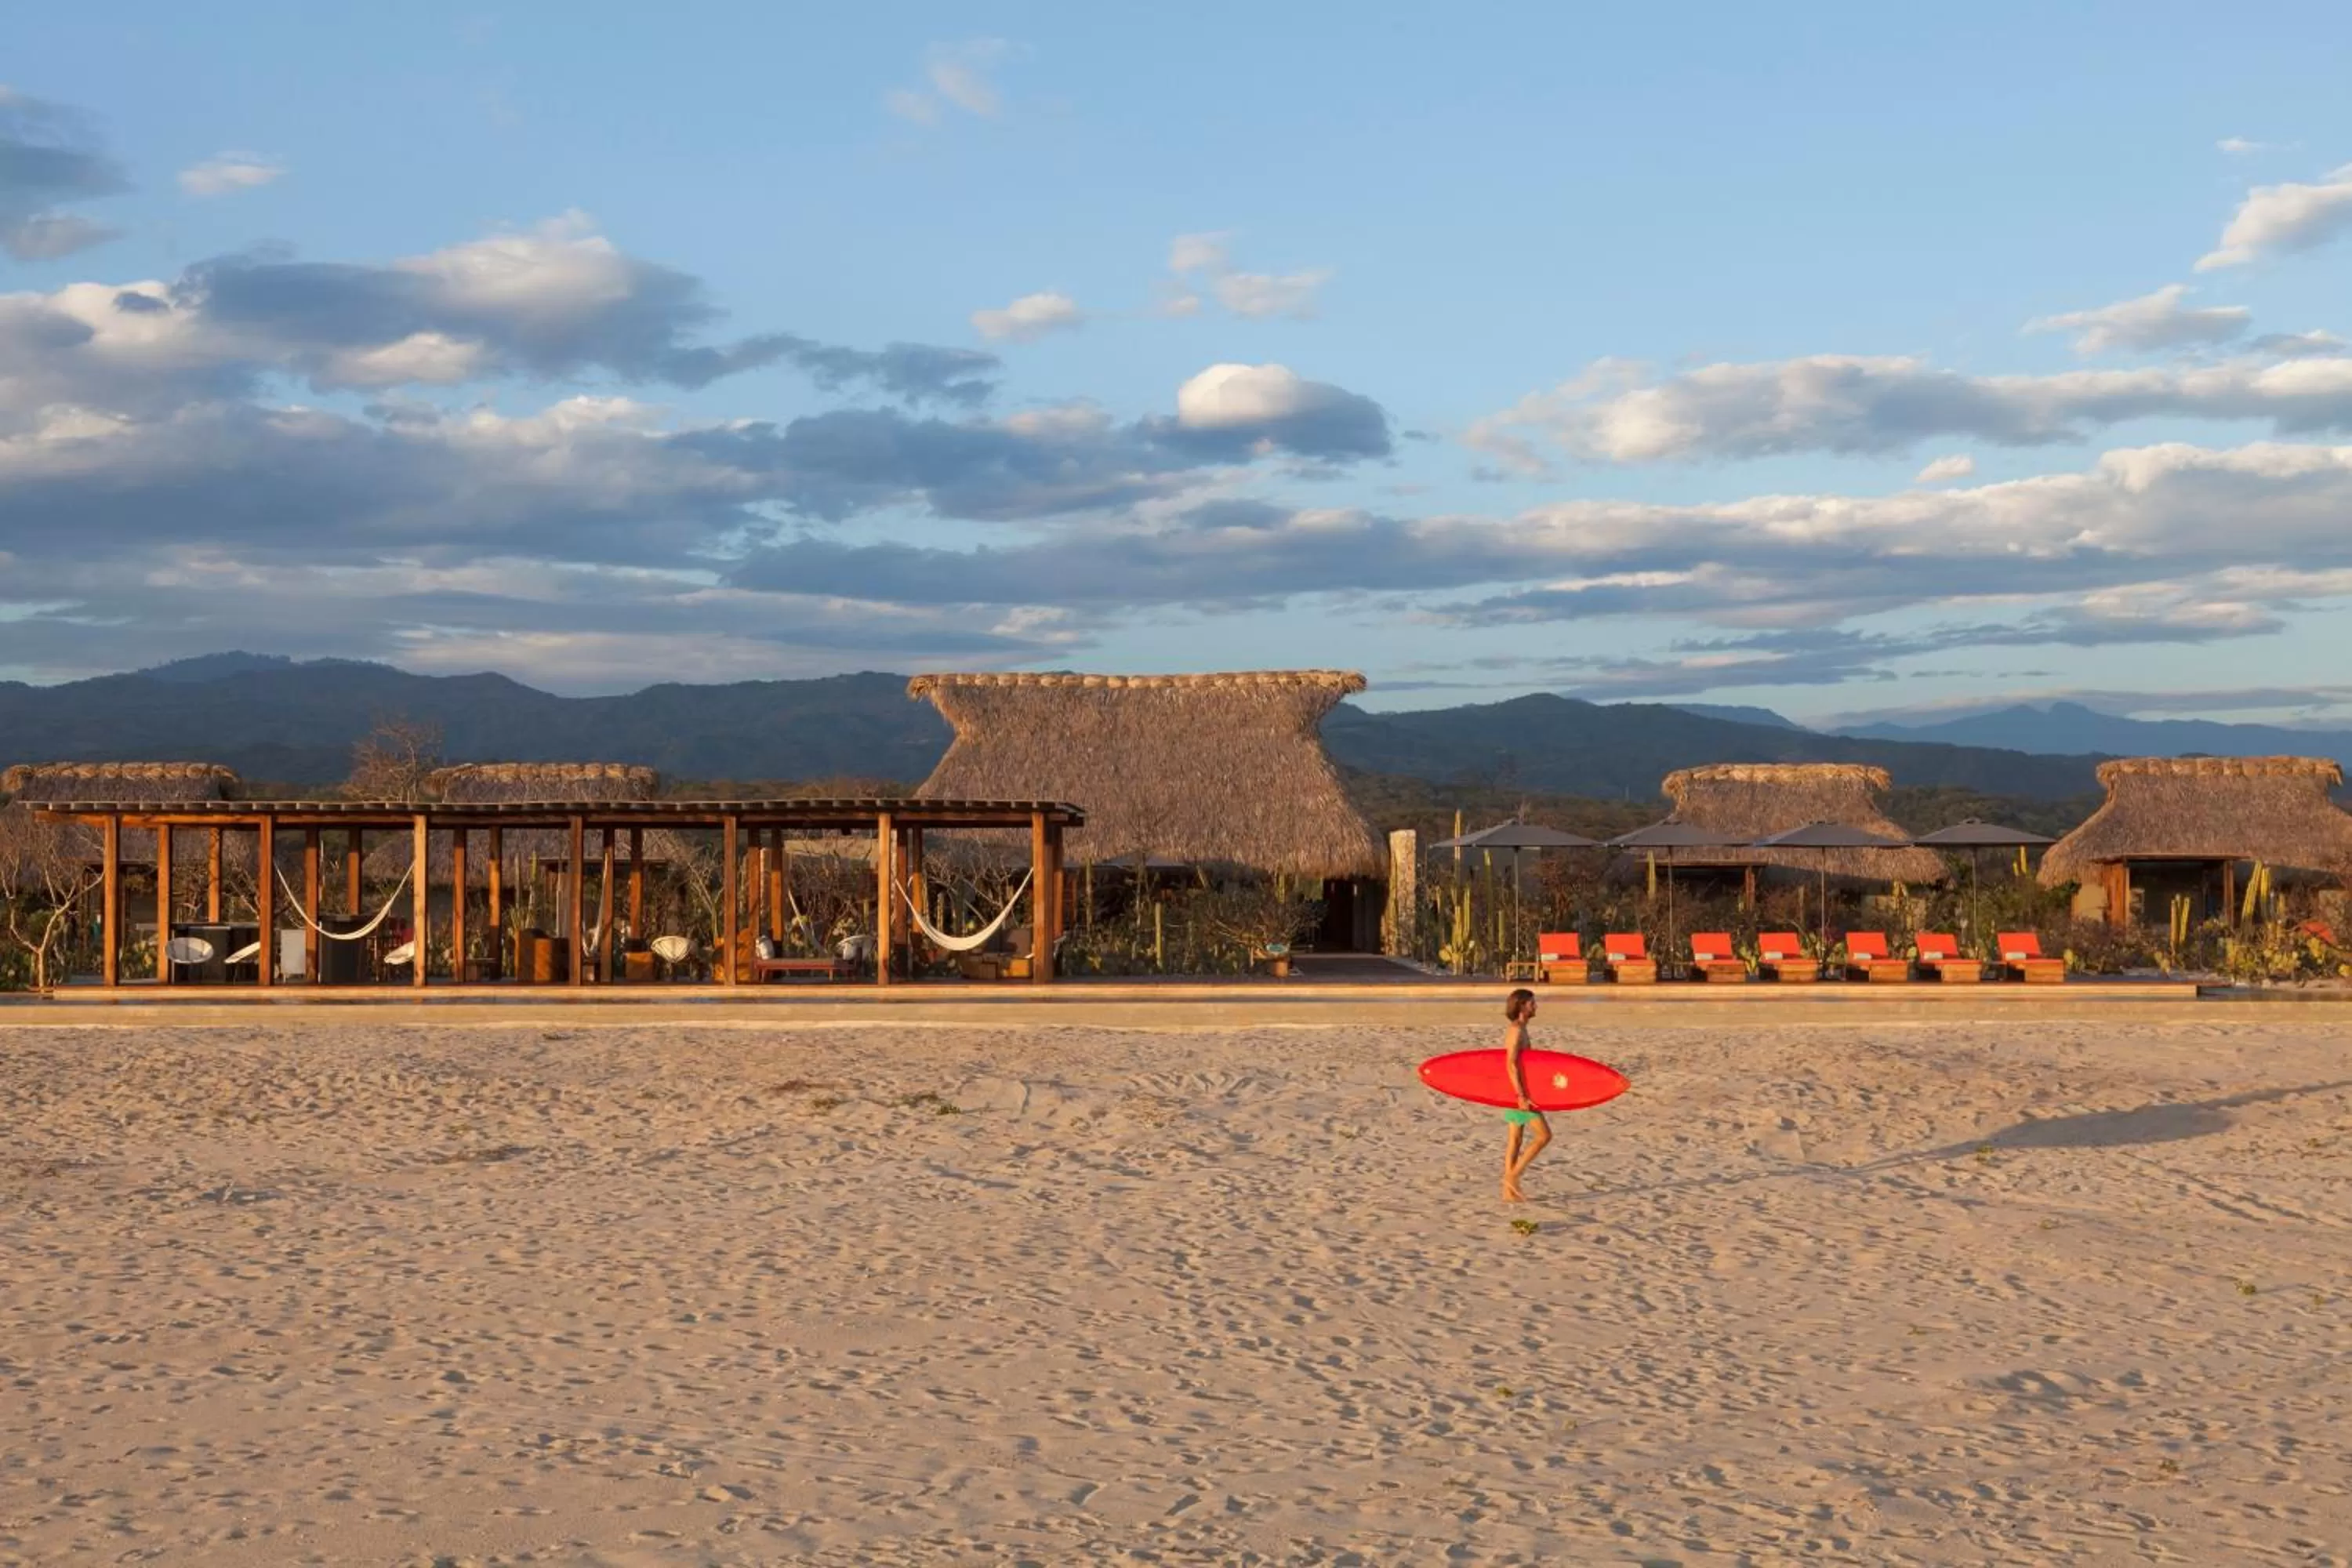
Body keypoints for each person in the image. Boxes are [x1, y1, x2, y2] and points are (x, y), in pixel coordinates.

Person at [1500, 987, 1551, 1202]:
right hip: (1519, 1092)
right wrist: (1521, 1095)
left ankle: (1508, 1193)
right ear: (1521, 1006)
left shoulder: (1522, 1028)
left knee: (1516, 1140)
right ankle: (1513, 1177)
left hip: (1515, 1090)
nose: (1535, 1006)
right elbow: (1510, 1063)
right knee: (1544, 1136)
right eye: (1532, 1003)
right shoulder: (1516, 1031)